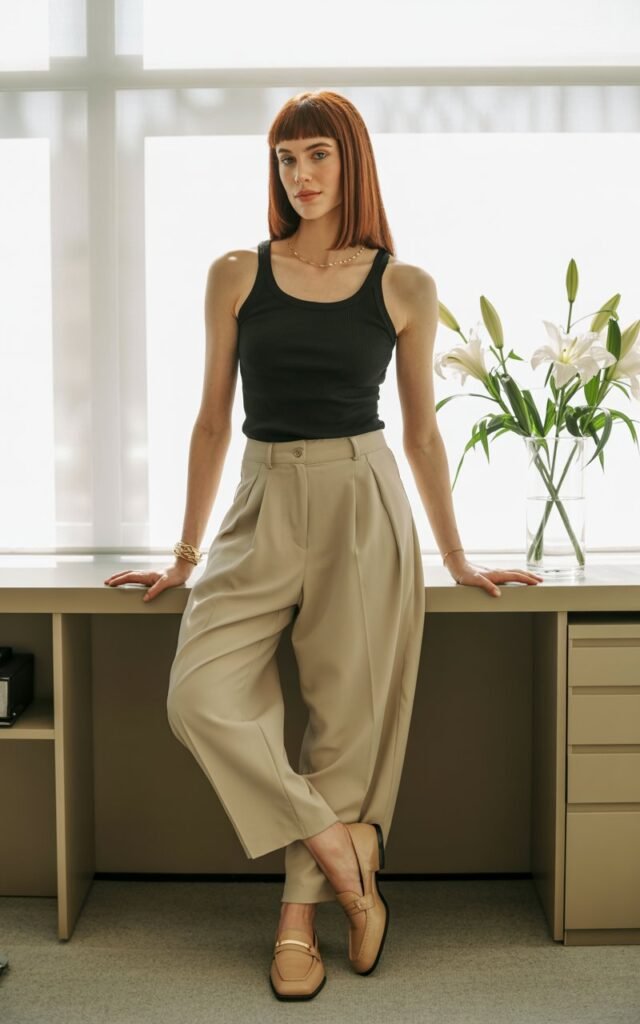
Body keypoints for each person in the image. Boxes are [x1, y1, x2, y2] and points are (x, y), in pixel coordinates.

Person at [104, 89, 544, 1001]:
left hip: (362, 495)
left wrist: (458, 560)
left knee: (345, 724)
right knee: (201, 695)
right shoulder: (237, 272)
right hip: (260, 499)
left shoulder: (403, 284)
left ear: (351, 162)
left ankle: (299, 918)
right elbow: (210, 424)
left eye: (317, 157)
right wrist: (184, 555)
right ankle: (350, 855)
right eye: (286, 160)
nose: (300, 177)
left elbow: (424, 436)